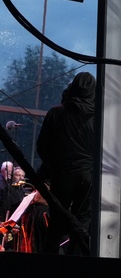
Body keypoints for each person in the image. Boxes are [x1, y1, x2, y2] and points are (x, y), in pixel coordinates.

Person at [36, 71, 97, 255]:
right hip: (88, 176)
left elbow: (42, 146)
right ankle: (75, 264)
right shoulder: (100, 117)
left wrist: (53, 168)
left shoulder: (56, 113)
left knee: (57, 222)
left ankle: (48, 266)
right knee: (81, 222)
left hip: (62, 175)